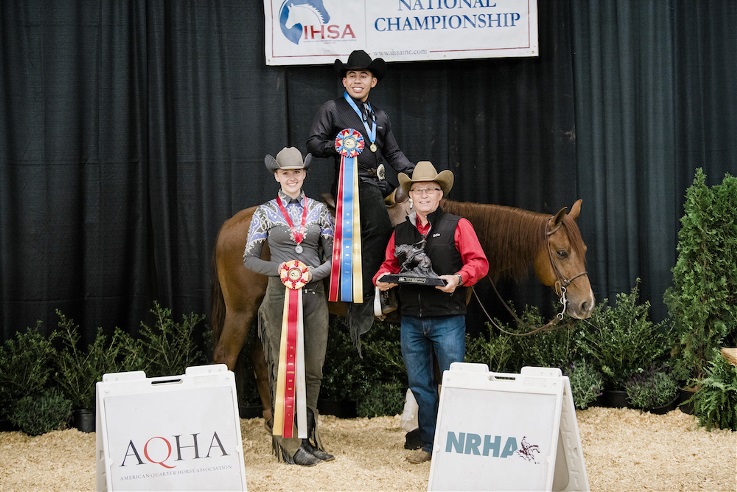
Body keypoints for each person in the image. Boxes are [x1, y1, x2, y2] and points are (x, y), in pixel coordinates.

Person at [373, 161, 489, 464]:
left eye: (430, 190)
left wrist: (459, 278)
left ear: (440, 195)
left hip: (447, 319)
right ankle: (429, 442)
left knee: (454, 384)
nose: (424, 195)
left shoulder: (458, 225)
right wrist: (381, 280)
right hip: (411, 321)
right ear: (410, 196)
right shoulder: (399, 232)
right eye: (418, 190)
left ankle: (459, 445)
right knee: (420, 385)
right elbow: (388, 266)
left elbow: (478, 262)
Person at [307, 49, 415, 348]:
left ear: (373, 81)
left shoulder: (380, 116)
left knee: (411, 218)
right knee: (378, 227)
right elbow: (314, 143)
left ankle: (399, 287)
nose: (357, 80)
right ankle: (364, 296)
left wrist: (414, 173)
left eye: (363, 76)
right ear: (344, 80)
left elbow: (392, 153)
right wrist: (337, 146)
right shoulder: (332, 108)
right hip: (352, 182)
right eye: (352, 75)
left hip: (380, 181)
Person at [243, 147, 335, 466]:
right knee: (284, 368)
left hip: (313, 298)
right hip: (279, 297)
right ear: (276, 176)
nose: (292, 177)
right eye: (286, 173)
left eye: (297, 172)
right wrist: (281, 270)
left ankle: (308, 437)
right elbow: (250, 259)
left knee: (312, 370)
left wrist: (312, 273)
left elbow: (333, 257)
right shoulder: (265, 212)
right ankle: (288, 443)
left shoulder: (320, 211)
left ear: (305, 174)